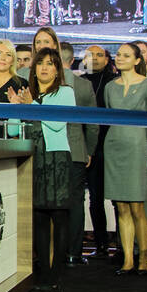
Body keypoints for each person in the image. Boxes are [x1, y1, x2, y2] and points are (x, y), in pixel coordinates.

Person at [8, 48, 74, 290]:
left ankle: (57, 274)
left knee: (59, 216)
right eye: (40, 64)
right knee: (39, 218)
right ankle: (43, 273)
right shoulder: (28, 94)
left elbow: (57, 125)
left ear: (57, 69)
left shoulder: (66, 93)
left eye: (50, 63)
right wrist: (15, 108)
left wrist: (31, 104)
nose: (44, 68)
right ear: (33, 68)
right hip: (33, 158)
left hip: (56, 158)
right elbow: (14, 131)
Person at [103, 43, 147, 274]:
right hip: (114, 147)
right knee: (121, 207)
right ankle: (128, 260)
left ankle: (143, 256)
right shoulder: (110, 87)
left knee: (137, 207)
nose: (119, 58)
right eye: (118, 55)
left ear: (137, 60)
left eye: (125, 55)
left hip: (138, 148)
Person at [59, 42, 98, 265]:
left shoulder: (45, 82)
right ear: (72, 60)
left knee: (53, 201)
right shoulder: (84, 86)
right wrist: (89, 150)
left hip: (50, 148)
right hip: (76, 149)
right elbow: (92, 124)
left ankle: (56, 251)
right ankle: (74, 252)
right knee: (75, 202)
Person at [83, 44, 117, 259]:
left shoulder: (114, 83)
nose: (94, 58)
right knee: (95, 199)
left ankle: (123, 246)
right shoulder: (79, 83)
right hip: (90, 148)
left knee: (118, 198)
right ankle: (101, 242)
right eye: (89, 55)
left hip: (112, 146)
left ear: (107, 59)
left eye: (99, 55)